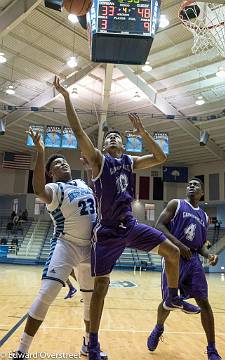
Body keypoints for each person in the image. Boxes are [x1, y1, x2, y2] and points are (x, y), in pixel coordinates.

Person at [53, 76, 199, 360]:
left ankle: (171, 296)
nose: (112, 138)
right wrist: (67, 97)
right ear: (104, 145)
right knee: (101, 288)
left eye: (116, 136)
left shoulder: (130, 161)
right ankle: (92, 343)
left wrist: (143, 133)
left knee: (172, 253)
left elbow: (160, 158)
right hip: (106, 232)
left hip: (130, 226)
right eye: (108, 137)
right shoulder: (98, 160)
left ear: (122, 143)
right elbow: (77, 130)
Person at [14, 128, 106, 359]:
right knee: (47, 294)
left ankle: (87, 344)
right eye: (57, 164)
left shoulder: (83, 185)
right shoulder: (54, 189)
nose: (63, 164)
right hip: (66, 245)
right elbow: (37, 189)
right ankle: (22, 351)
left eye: (65, 161)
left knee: (89, 301)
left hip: (90, 248)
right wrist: (41, 152)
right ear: (50, 172)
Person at [147, 178, 221, 360]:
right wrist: (179, 245)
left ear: (201, 193)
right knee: (169, 301)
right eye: (189, 184)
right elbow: (159, 226)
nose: (191, 186)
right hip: (174, 256)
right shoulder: (176, 204)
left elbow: (202, 244)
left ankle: (212, 349)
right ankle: (159, 328)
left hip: (193, 259)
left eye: (196, 185)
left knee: (204, 302)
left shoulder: (204, 216)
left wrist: (209, 255)